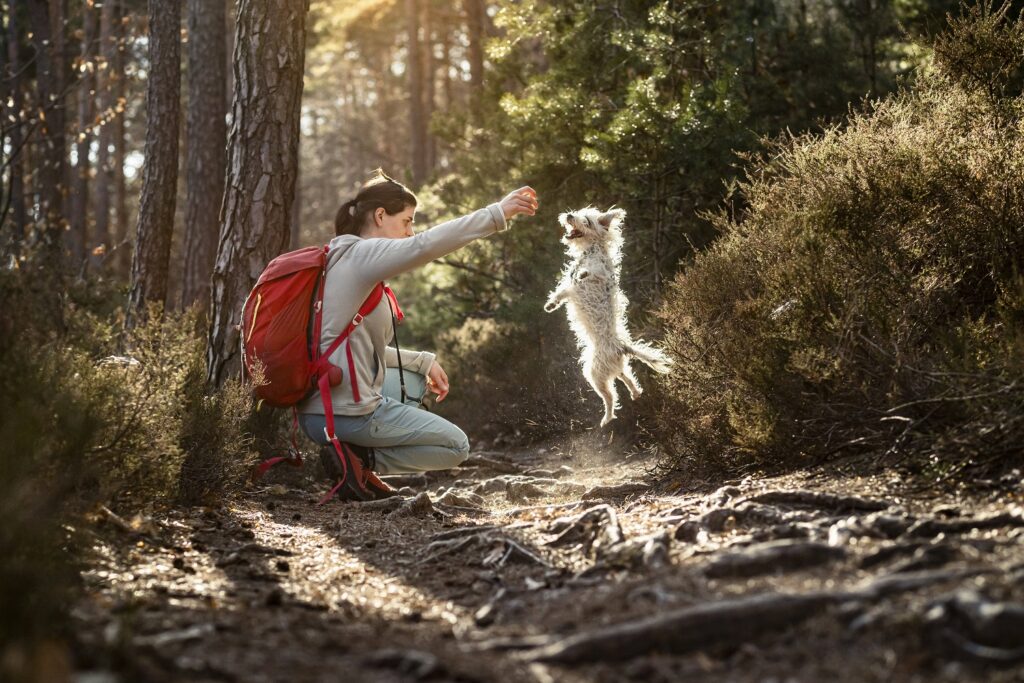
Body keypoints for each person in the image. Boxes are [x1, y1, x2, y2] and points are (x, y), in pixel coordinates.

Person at [297, 170, 538, 500]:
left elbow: (357, 349)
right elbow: (425, 246)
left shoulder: (339, 257)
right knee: (456, 445)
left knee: (411, 379)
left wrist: (422, 362)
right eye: (407, 221)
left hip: (319, 410)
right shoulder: (362, 256)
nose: (411, 231)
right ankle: (359, 461)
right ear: (380, 216)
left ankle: (351, 456)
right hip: (342, 414)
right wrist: (495, 213)